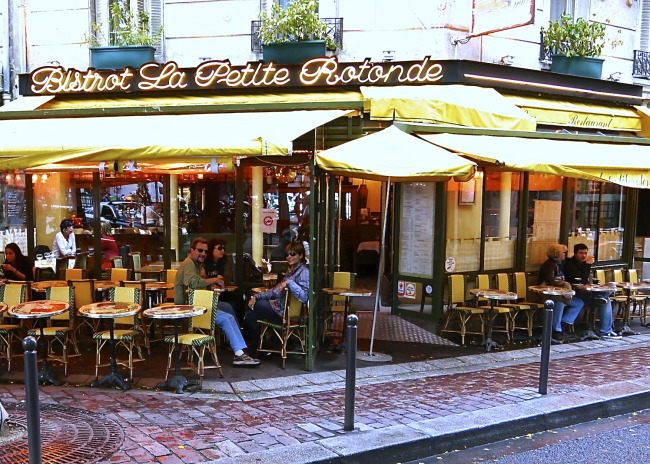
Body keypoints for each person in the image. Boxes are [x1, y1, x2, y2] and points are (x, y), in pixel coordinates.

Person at [175, 238, 259, 366]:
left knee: (228, 307)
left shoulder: (195, 264)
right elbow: (194, 283)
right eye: (200, 250)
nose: (203, 253)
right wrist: (214, 280)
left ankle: (237, 344)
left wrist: (207, 280)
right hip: (190, 309)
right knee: (227, 318)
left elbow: (196, 285)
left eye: (205, 251)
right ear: (192, 250)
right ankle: (239, 353)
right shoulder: (189, 264)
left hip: (197, 305)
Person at [244, 240, 309, 345]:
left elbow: (304, 297)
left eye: (293, 254)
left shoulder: (304, 272)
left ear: (301, 255)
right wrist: (256, 296)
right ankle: (261, 347)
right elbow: (275, 291)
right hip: (279, 308)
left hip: (286, 314)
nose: (289, 257)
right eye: (287, 254)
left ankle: (261, 345)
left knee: (255, 304)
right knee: (250, 315)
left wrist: (289, 283)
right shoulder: (291, 271)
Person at [564, 243, 621, 340]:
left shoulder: (583, 263)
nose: (584, 256)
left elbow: (585, 281)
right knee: (605, 301)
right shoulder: (570, 264)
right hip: (575, 294)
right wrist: (587, 265)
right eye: (581, 253)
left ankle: (605, 330)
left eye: (585, 253)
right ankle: (605, 331)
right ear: (575, 253)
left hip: (585, 293)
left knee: (607, 295)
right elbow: (581, 279)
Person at [538, 243, 584, 343]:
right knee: (559, 302)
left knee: (578, 303)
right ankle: (557, 330)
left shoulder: (559, 264)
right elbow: (550, 281)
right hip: (547, 295)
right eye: (563, 253)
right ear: (557, 253)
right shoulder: (549, 265)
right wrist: (564, 290)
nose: (565, 255)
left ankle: (563, 324)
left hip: (558, 294)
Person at [203, 238, 246, 324]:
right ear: (211, 249)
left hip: (223, 293)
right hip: (209, 295)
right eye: (219, 248)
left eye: (223, 248)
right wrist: (215, 280)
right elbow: (202, 280)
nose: (222, 250)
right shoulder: (205, 261)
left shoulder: (226, 260)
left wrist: (210, 279)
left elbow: (227, 280)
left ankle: (240, 326)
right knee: (230, 305)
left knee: (239, 299)